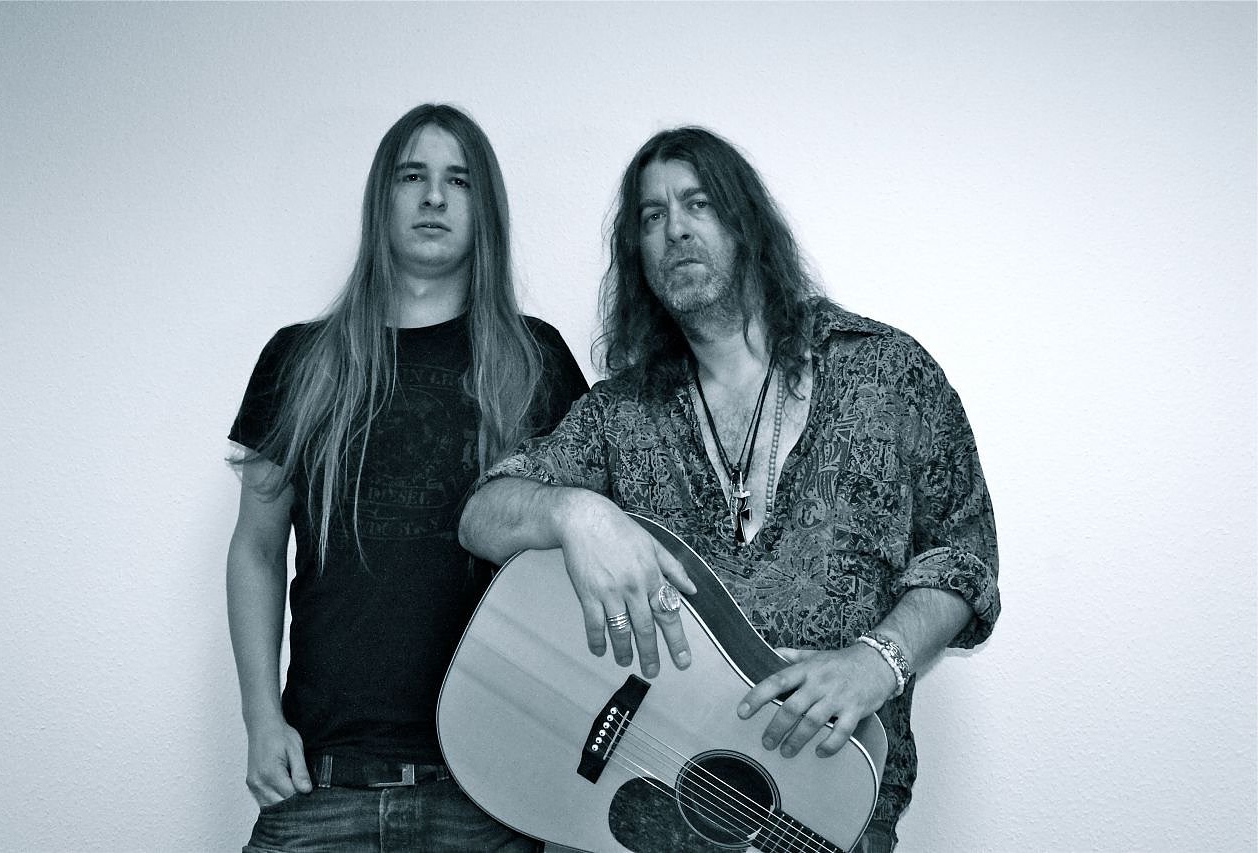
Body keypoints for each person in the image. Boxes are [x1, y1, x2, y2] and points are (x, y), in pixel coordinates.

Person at [458, 126, 1000, 852]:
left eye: (698, 203)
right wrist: (572, 510)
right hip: (649, 820)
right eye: (652, 216)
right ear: (637, 254)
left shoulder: (887, 373)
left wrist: (883, 658)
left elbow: (964, 555)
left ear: (747, 221)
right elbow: (482, 516)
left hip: (829, 808)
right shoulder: (619, 413)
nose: (675, 229)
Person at [226, 103, 588, 852]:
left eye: (459, 180)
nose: (433, 197)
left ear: (484, 208)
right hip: (320, 781)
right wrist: (260, 720)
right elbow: (256, 549)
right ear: (380, 199)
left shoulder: (537, 359)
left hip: (490, 790)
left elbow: (590, 549)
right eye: (412, 176)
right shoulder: (300, 358)